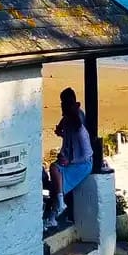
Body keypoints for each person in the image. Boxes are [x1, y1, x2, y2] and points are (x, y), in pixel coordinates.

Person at [44, 88, 93, 230]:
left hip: (81, 163)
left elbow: (86, 153)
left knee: (54, 169)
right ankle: (53, 216)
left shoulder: (80, 130)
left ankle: (60, 204)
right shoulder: (68, 118)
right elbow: (64, 129)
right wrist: (60, 132)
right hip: (71, 157)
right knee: (56, 184)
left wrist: (70, 161)